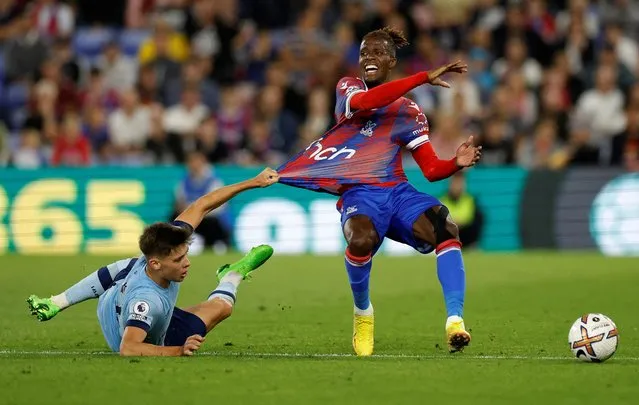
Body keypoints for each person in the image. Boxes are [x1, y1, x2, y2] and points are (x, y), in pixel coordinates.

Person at [278, 27, 482, 356]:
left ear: (390, 61)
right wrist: (422, 77)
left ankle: (455, 321)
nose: (368, 58)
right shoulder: (349, 88)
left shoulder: (408, 111)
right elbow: (371, 101)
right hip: (361, 192)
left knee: (446, 228)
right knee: (359, 241)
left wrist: (455, 163)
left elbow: (430, 170)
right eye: (363, 53)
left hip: (397, 190)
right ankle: (363, 315)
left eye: (376, 53)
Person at [27, 168, 280, 356]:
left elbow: (202, 204)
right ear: (157, 264)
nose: (187, 263)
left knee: (124, 268)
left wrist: (254, 182)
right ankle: (231, 277)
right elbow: (128, 349)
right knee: (220, 308)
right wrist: (179, 351)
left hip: (135, 306)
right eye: (179, 259)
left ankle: (231, 273)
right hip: (138, 333)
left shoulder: (152, 255)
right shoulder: (145, 302)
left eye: (186, 254)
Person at [439, 172, 484, 247]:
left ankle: (472, 246)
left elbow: (470, 218)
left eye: (460, 183)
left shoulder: (470, 200)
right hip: (448, 236)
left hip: (466, 234)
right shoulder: (442, 201)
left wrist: (458, 222)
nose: (457, 186)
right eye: (454, 183)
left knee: (479, 216)